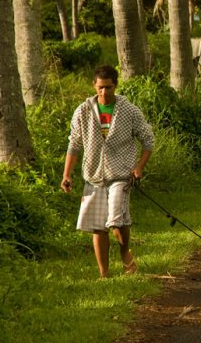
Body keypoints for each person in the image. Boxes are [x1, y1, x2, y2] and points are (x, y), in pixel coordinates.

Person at [61, 65, 154, 278]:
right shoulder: (82, 111)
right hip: (93, 175)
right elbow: (74, 144)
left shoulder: (129, 111)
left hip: (121, 175)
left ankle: (124, 251)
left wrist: (139, 167)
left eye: (109, 88)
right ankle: (104, 273)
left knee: (116, 221)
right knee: (98, 227)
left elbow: (148, 140)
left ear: (116, 86)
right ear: (94, 85)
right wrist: (67, 174)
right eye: (101, 88)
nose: (104, 92)